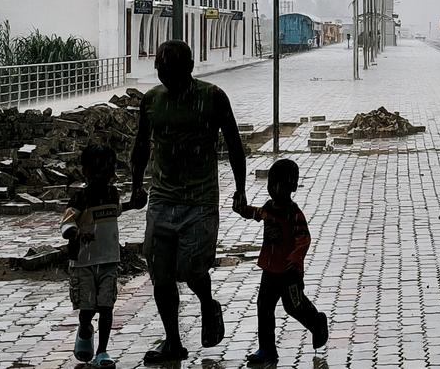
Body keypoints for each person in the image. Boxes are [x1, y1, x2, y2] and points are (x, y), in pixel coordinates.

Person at [130, 40, 248, 364]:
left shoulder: (213, 97)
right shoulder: (152, 101)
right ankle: (173, 341)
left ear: (190, 69)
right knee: (160, 273)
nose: (167, 77)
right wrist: (136, 186)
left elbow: (234, 144)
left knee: (192, 268)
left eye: (174, 72)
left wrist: (240, 190)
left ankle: (208, 304)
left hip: (200, 199)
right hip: (162, 198)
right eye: (162, 71)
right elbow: (141, 145)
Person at [61, 144, 146, 368]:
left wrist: (133, 205)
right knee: (87, 309)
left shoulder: (111, 194)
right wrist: (76, 233)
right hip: (84, 262)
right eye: (100, 170)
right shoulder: (80, 198)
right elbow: (67, 222)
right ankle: (85, 329)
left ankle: (102, 351)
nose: (104, 176)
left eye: (108, 171)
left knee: (107, 307)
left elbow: (117, 210)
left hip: (109, 260)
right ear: (86, 172)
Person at [237, 158, 328, 365]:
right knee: (264, 307)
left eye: (280, 185)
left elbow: (304, 238)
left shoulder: (294, 213)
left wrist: (294, 258)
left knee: (294, 305)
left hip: (289, 273)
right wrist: (242, 209)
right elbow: (256, 213)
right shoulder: (269, 207)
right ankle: (267, 349)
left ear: (292, 187)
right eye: (272, 185)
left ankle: (316, 322)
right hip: (270, 269)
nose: (274, 189)